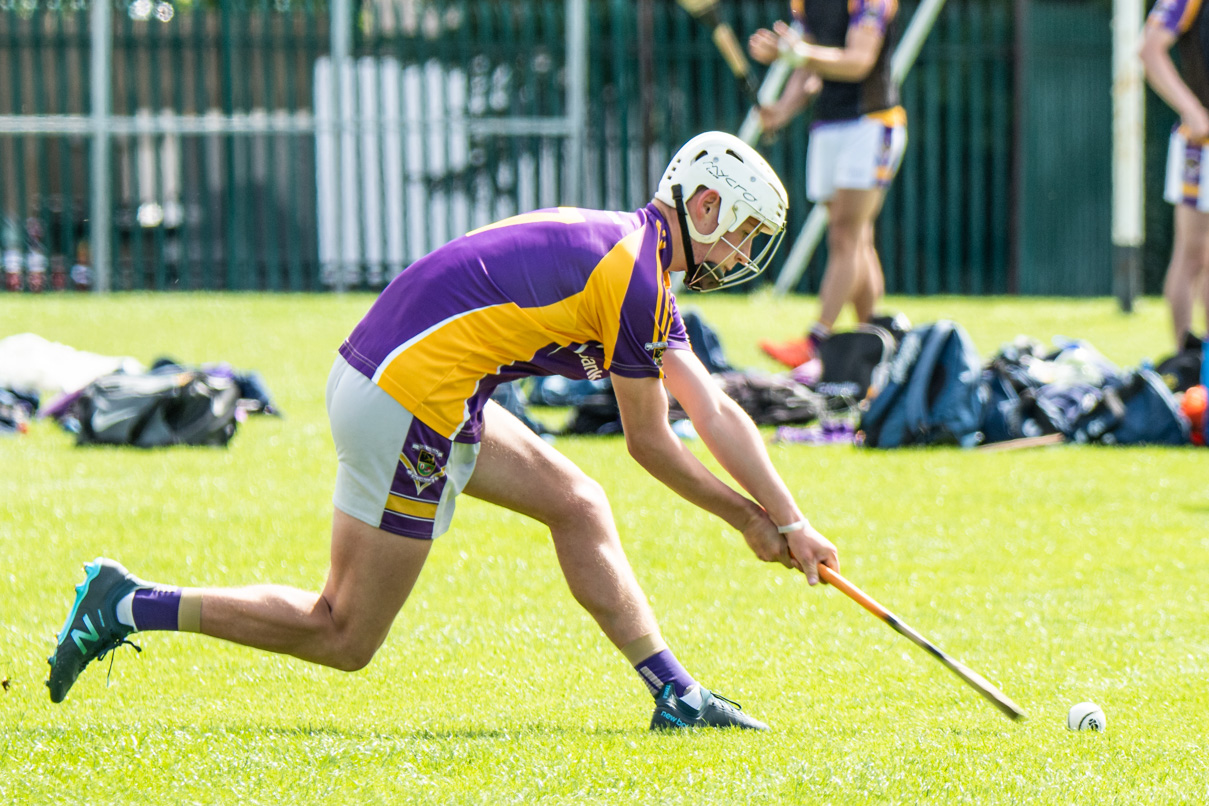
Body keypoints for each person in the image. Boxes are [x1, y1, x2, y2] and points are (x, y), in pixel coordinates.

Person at [47, 131, 840, 731]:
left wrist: (791, 520)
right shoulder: (634, 276)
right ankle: (125, 605)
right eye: (741, 232)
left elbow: (714, 409)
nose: (742, 253)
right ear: (703, 206)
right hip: (406, 399)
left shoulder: (637, 261)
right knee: (343, 633)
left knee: (576, 502)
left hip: (419, 386)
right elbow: (653, 441)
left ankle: (677, 696)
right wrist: (746, 519)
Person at [747, 0, 907, 369]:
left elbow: (858, 61)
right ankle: (876, 340)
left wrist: (795, 52)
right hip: (829, 125)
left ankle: (817, 340)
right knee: (857, 237)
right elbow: (808, 66)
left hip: (871, 123)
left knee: (844, 233)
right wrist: (782, 109)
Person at [1140, 0, 1209, 351]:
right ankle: (1188, 364)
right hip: (1202, 145)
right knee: (1195, 254)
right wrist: (1191, 109)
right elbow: (1150, 49)